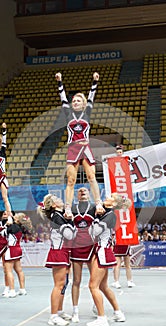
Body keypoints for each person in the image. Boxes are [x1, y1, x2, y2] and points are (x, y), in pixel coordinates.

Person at [55, 71, 104, 217]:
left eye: (78, 101)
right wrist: (59, 82)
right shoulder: (68, 114)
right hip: (73, 148)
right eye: (74, 101)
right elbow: (63, 99)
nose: (75, 102)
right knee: (71, 180)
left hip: (85, 147)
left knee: (91, 177)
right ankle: (68, 208)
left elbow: (91, 97)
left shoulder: (87, 113)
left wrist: (95, 82)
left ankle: (99, 204)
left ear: (83, 104)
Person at [86, 193, 131, 326]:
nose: (106, 197)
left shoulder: (110, 215)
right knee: (103, 286)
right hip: (101, 250)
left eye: (110, 197)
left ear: (114, 203)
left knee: (93, 286)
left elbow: (94, 232)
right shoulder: (105, 213)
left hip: (102, 251)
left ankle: (102, 318)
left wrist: (95, 217)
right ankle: (118, 313)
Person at [38, 194, 77, 326]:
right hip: (59, 252)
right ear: (54, 205)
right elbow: (70, 235)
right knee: (59, 284)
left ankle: (59, 311)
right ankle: (53, 316)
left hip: (64, 251)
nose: (60, 199)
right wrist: (71, 220)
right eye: (56, 199)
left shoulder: (60, 216)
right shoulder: (57, 217)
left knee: (64, 284)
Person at [70, 187, 96, 323]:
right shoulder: (72, 209)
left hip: (91, 247)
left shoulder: (95, 208)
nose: (82, 191)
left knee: (94, 281)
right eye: (79, 191)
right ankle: (75, 311)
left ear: (89, 194)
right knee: (76, 281)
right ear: (77, 195)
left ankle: (97, 306)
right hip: (76, 247)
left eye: (85, 190)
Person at [112, 145, 135, 289]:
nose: (119, 154)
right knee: (117, 262)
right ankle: (116, 281)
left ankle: (129, 280)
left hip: (125, 236)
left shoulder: (125, 162)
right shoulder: (115, 211)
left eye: (121, 152)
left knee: (127, 261)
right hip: (118, 237)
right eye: (118, 152)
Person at [4, 213, 32, 298]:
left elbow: (1, 233)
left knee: (8, 271)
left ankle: (12, 291)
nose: (13, 216)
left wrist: (6, 225)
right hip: (18, 249)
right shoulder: (21, 227)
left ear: (17, 220)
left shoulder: (13, 227)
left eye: (15, 216)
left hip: (12, 249)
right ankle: (22, 289)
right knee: (19, 270)